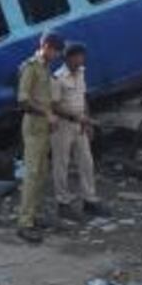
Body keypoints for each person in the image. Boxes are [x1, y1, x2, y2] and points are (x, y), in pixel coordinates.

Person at [51, 43, 110, 221]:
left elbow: (83, 97)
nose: (81, 60)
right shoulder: (58, 78)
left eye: (82, 56)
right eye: (77, 56)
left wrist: (87, 120)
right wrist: (77, 118)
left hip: (80, 124)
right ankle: (63, 203)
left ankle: (89, 199)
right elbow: (54, 106)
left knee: (86, 162)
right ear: (68, 58)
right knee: (61, 164)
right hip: (62, 126)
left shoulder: (81, 72)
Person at [15, 31, 64, 243]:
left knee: (42, 173)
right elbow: (23, 100)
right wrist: (47, 114)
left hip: (44, 126)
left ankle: (34, 215)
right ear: (45, 46)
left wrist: (51, 116)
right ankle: (24, 223)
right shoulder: (31, 67)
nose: (55, 55)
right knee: (32, 174)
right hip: (34, 125)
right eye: (53, 50)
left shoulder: (45, 68)